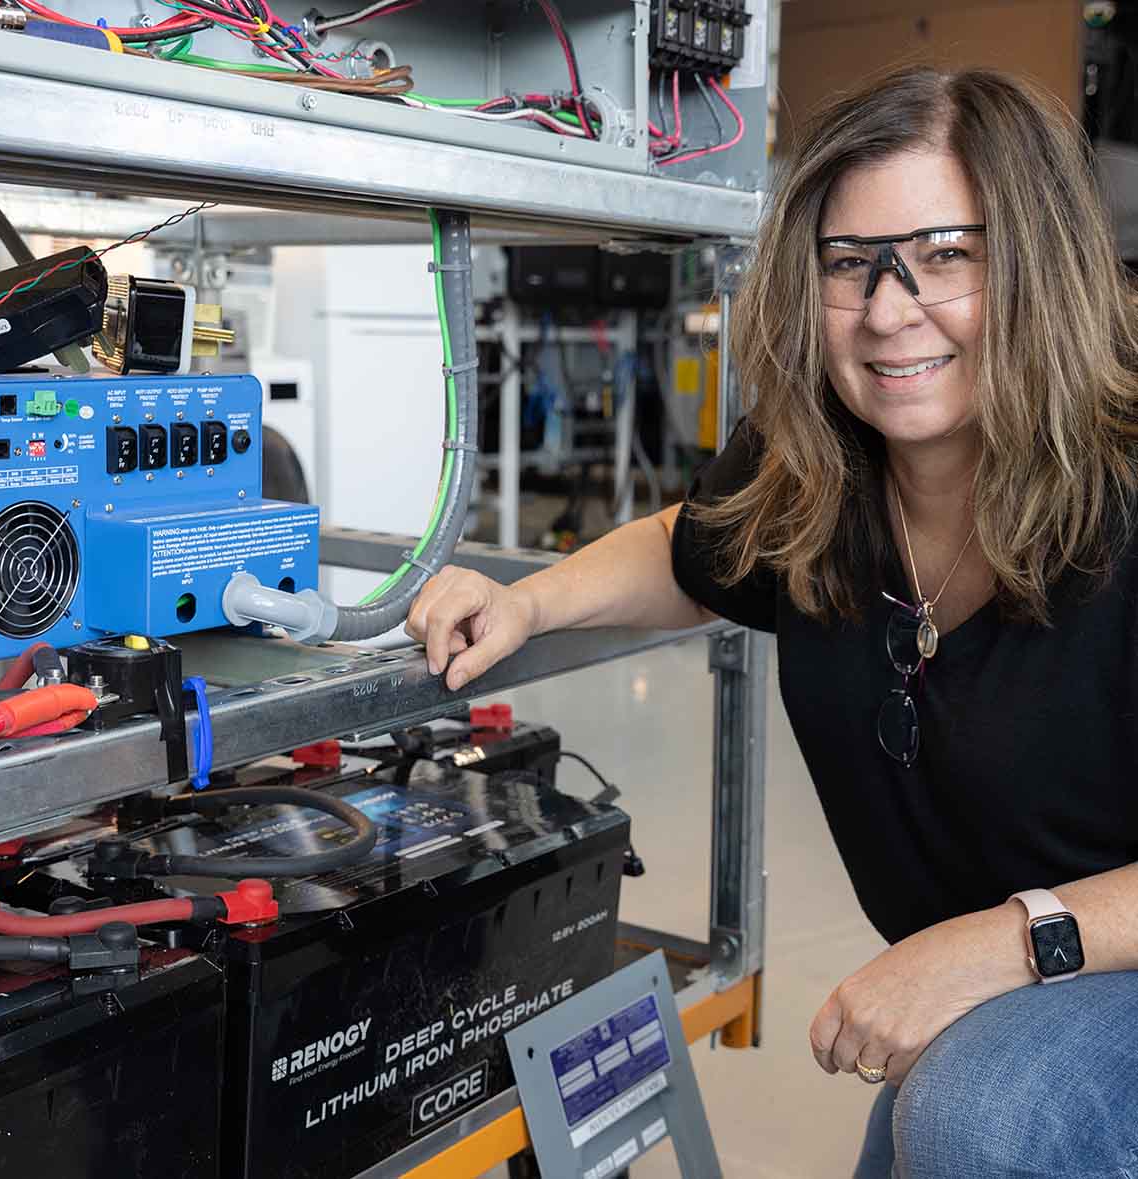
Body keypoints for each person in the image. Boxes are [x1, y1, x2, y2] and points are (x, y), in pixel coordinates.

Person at [405, 67, 1138, 1177]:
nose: (888, 311)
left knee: (979, 1118)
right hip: (1000, 992)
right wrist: (526, 600)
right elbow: (692, 551)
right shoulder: (820, 467)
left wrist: (1005, 942)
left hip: (1081, 973)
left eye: (946, 255)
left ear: (1040, 265)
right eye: (852, 264)